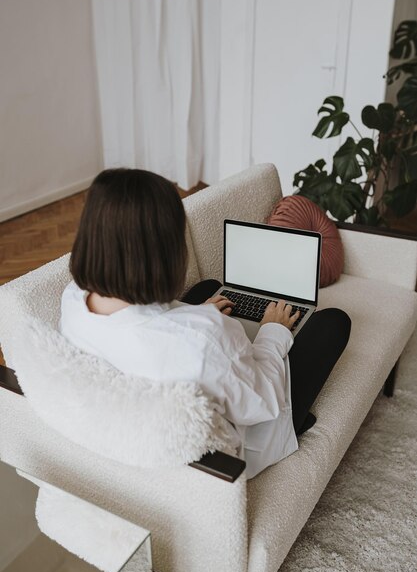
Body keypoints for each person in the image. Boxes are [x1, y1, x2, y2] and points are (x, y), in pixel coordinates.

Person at [60, 168, 351, 479]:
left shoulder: (74, 299)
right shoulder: (202, 339)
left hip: (157, 376)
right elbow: (263, 402)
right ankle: (297, 422)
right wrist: (272, 331)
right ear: (165, 252)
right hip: (235, 448)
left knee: (208, 287)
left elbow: (147, 333)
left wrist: (191, 314)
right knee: (334, 322)